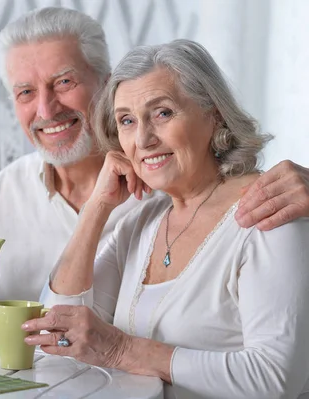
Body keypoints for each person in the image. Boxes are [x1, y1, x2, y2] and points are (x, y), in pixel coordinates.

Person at [0, 7, 309, 339]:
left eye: (64, 82)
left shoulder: (170, 177)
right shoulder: (5, 191)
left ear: (107, 84)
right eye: (26, 92)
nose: (46, 110)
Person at [22, 39, 309, 399]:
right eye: (126, 120)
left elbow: (276, 379)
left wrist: (122, 350)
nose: (143, 139)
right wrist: (97, 207)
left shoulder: (270, 212)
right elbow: (57, 329)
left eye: (163, 113)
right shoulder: (143, 222)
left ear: (214, 113)